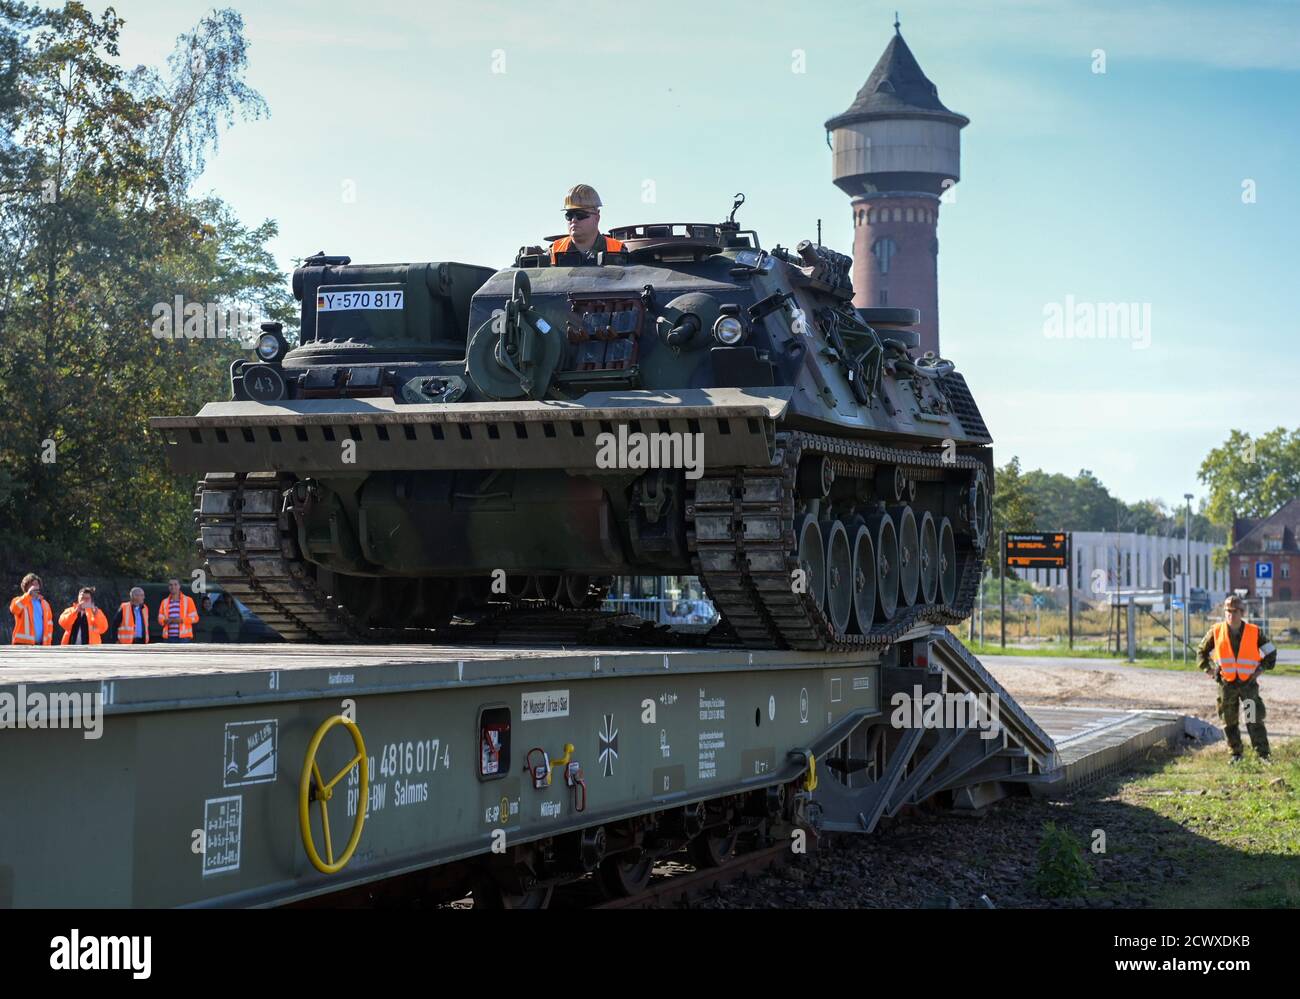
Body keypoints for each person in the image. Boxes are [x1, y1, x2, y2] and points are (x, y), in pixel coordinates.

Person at [1197, 594, 1275, 763]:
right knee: (1229, 721)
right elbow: (1201, 653)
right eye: (1228, 611)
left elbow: (1271, 652)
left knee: (1253, 719)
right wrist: (1209, 671)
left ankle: (1263, 755)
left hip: (1248, 685)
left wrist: (1260, 669)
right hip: (1226, 684)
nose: (1231, 615)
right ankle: (1236, 754)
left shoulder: (1254, 632)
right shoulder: (1216, 631)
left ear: (1242, 612)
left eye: (1235, 611)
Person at [549, 184, 625, 264]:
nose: (574, 220)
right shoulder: (554, 250)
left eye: (580, 214)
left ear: (597, 217)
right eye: (569, 215)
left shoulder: (618, 249)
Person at [10, 572, 54, 645]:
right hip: (22, 645)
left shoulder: (45, 604)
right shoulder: (18, 600)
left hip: (41, 645)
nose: (35, 587)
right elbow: (14, 609)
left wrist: (47, 644)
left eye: (36, 584)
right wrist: (28, 595)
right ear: (26, 587)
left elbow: (49, 626)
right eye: (32, 584)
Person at [157, 579, 200, 643]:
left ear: (179, 586)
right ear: (168, 587)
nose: (173, 587)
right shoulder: (164, 602)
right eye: (170, 585)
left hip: (184, 638)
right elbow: (160, 618)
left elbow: (195, 618)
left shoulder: (188, 600)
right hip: (168, 637)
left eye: (175, 584)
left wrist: (182, 620)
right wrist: (165, 621)